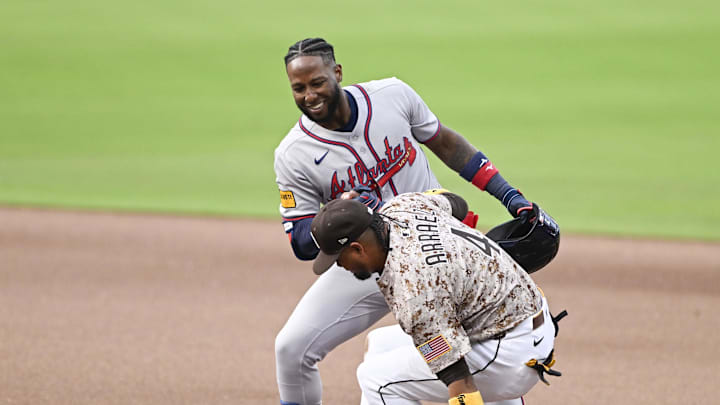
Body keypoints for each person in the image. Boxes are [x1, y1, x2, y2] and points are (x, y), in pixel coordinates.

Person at [274, 37, 554, 405]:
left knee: (464, 346)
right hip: (361, 259)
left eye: (317, 82)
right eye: (299, 88)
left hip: (433, 258)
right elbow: (301, 243)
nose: (309, 95)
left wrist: (507, 194)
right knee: (292, 350)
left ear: (337, 73)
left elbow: (447, 144)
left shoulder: (391, 95)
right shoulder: (293, 155)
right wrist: (336, 210)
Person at [309, 191, 563, 405]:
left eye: (338, 258)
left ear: (357, 249)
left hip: (511, 355)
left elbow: (460, 380)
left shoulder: (414, 293)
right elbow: (457, 204)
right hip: (518, 320)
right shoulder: (403, 205)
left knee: (375, 379)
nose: (340, 266)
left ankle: (503, 391)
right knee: (379, 343)